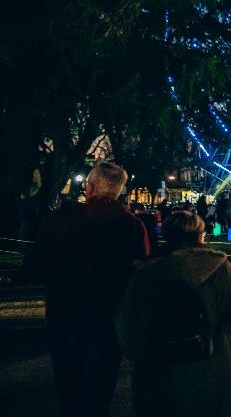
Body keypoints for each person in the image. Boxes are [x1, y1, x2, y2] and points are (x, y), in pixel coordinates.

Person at [24, 161, 151, 416]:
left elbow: (35, 266)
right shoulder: (131, 226)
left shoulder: (61, 220)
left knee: (68, 389)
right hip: (107, 319)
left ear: (90, 187)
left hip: (65, 315)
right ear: (119, 191)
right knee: (99, 391)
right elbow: (141, 272)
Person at [115, 212, 231, 416]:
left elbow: (126, 321)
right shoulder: (218, 268)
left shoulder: (146, 273)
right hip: (214, 362)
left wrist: (135, 352)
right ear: (200, 236)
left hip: (159, 366)